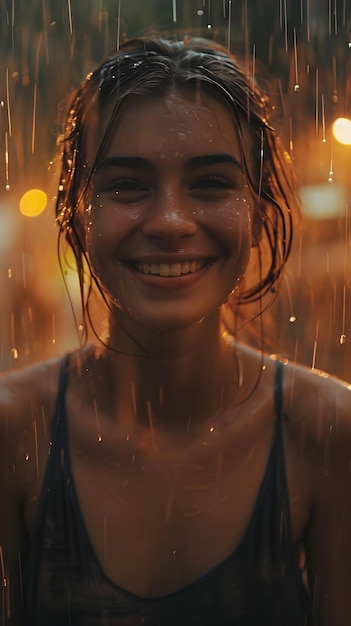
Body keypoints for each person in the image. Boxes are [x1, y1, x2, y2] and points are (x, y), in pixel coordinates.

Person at [0, 36, 350, 626]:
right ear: (75, 211)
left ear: (261, 210)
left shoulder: (329, 434)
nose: (169, 221)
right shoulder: (12, 433)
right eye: (127, 186)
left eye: (211, 183)